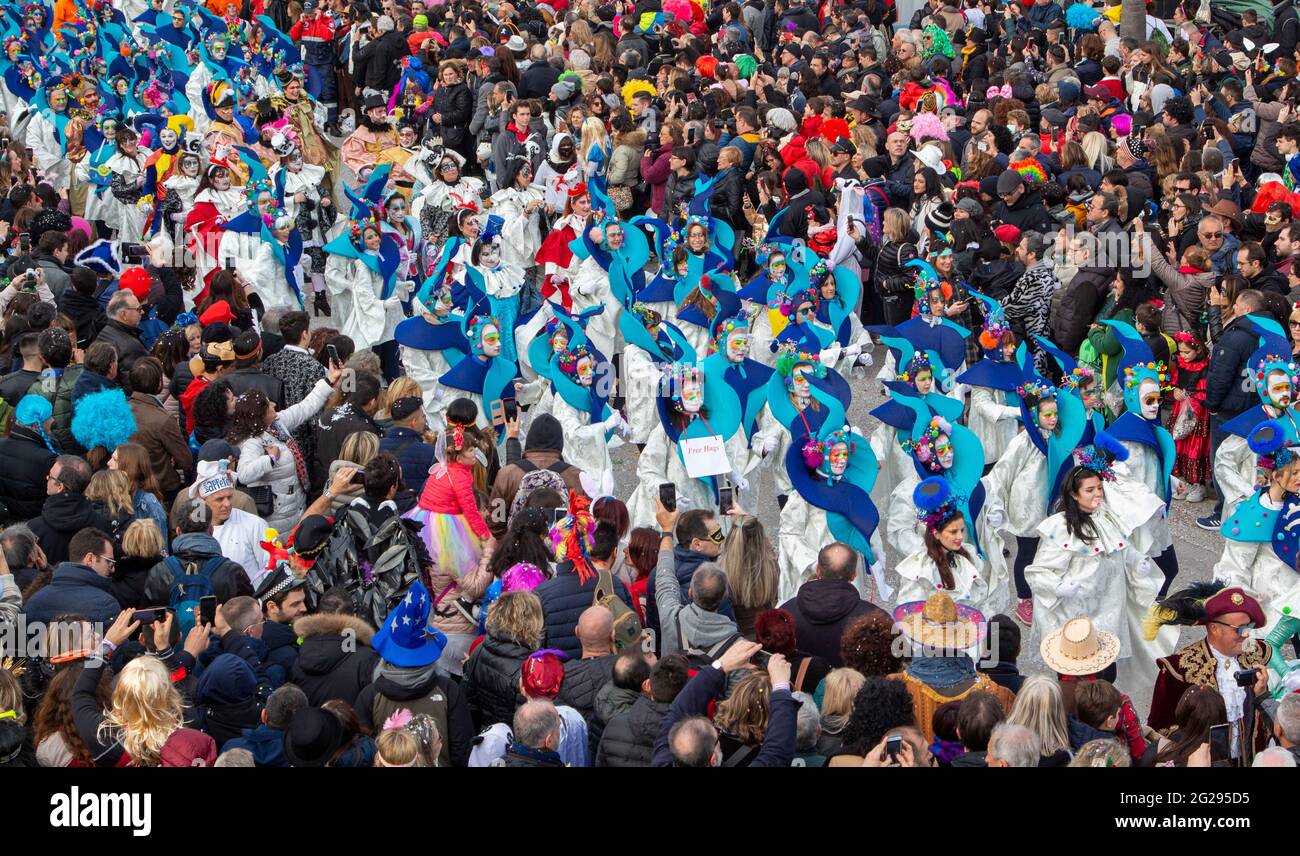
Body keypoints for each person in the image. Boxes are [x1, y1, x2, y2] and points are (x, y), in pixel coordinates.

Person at [1146, 584, 1274, 763]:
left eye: (1249, 626)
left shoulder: (1257, 653)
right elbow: (1160, 728)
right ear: (1215, 628)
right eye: (1239, 629)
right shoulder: (1179, 668)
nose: (1246, 635)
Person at [653, 638, 797, 767]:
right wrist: (781, 687)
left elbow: (677, 711)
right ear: (713, 760)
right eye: (716, 737)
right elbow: (776, 754)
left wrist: (720, 666)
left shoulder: (663, 762)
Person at [780, 542, 887, 667]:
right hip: (851, 685)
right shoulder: (875, 619)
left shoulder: (785, 612)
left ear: (818, 569)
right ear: (854, 575)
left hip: (797, 684)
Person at [22, 527, 122, 626]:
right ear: (90, 559)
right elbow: (113, 642)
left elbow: (19, 641)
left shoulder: (33, 600)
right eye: (109, 561)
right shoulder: (106, 606)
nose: (112, 569)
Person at [28, 455, 112, 565]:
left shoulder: (34, 528)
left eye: (50, 476)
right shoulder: (102, 525)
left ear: (60, 487)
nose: (47, 478)